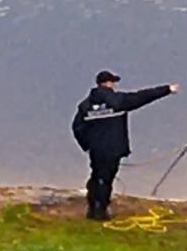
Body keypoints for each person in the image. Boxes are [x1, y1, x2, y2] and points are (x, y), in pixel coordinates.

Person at [71, 70, 179, 221]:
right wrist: (167, 89)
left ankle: (92, 207)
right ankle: (99, 212)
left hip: (96, 150)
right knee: (106, 179)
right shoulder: (118, 101)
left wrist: (87, 145)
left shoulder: (85, 105)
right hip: (113, 149)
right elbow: (143, 96)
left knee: (96, 176)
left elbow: (77, 128)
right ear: (109, 83)